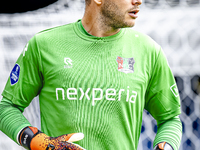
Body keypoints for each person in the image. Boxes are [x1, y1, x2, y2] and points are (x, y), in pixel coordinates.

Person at [0, 0, 182, 149]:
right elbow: (6, 108)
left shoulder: (148, 51)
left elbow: (170, 118)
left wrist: (164, 147)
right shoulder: (43, 45)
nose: (138, 1)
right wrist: (36, 141)